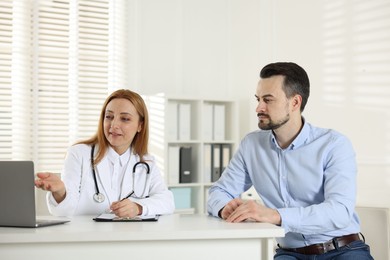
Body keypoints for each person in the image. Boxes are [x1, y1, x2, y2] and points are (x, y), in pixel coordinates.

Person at [207, 62, 373, 259]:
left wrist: (275, 215)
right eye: (258, 99)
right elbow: (218, 192)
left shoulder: (334, 144)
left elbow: (339, 211)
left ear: (295, 103)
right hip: (289, 254)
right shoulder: (251, 145)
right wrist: (224, 207)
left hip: (342, 250)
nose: (259, 107)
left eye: (268, 100)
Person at [35, 89, 175, 218]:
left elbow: (167, 201)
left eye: (125, 119)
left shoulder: (146, 162)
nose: (113, 125)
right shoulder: (79, 153)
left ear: (140, 125)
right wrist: (60, 192)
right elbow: (66, 210)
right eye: (109, 116)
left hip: (129, 238)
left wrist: (138, 207)